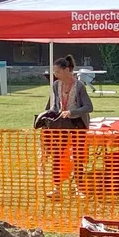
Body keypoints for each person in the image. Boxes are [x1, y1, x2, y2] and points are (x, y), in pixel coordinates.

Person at [39, 54, 92, 199]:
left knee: (78, 157)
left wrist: (72, 112)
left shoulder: (79, 86)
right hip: (61, 124)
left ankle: (79, 188)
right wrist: (49, 114)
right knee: (57, 155)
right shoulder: (56, 85)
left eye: (57, 71)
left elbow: (88, 107)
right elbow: (55, 104)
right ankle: (56, 187)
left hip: (77, 125)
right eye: (54, 72)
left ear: (67, 70)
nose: (55, 74)